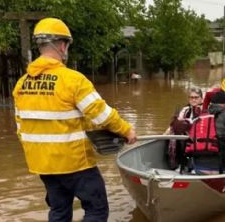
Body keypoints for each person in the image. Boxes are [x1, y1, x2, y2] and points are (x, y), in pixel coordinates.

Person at [12, 17, 137, 222]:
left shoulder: (22, 84)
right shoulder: (73, 80)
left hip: (43, 164)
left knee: (59, 211)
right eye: (67, 45)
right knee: (97, 209)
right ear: (62, 45)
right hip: (75, 163)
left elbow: (20, 128)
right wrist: (126, 131)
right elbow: (101, 114)